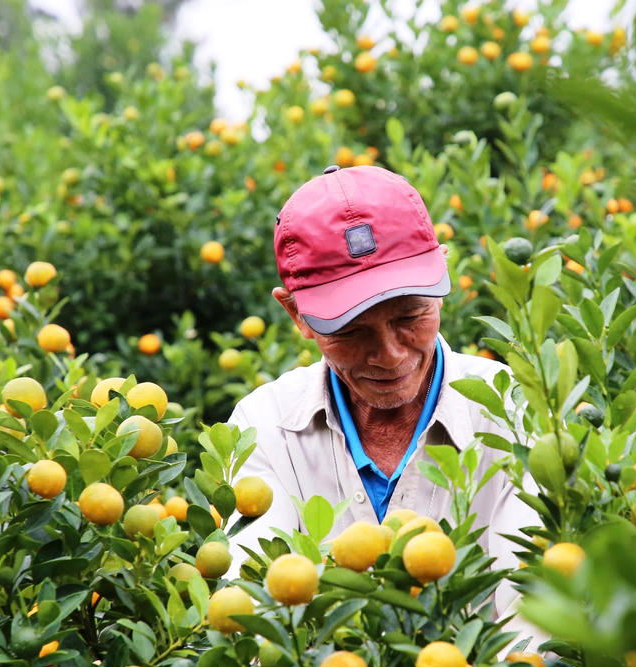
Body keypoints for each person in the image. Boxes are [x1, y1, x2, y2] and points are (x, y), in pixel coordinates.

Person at [226, 164, 538, 642]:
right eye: (350, 332)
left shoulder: (513, 408)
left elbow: (533, 617)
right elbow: (257, 617)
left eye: (410, 317)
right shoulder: (264, 426)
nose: (391, 355)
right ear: (297, 314)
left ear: (442, 279)